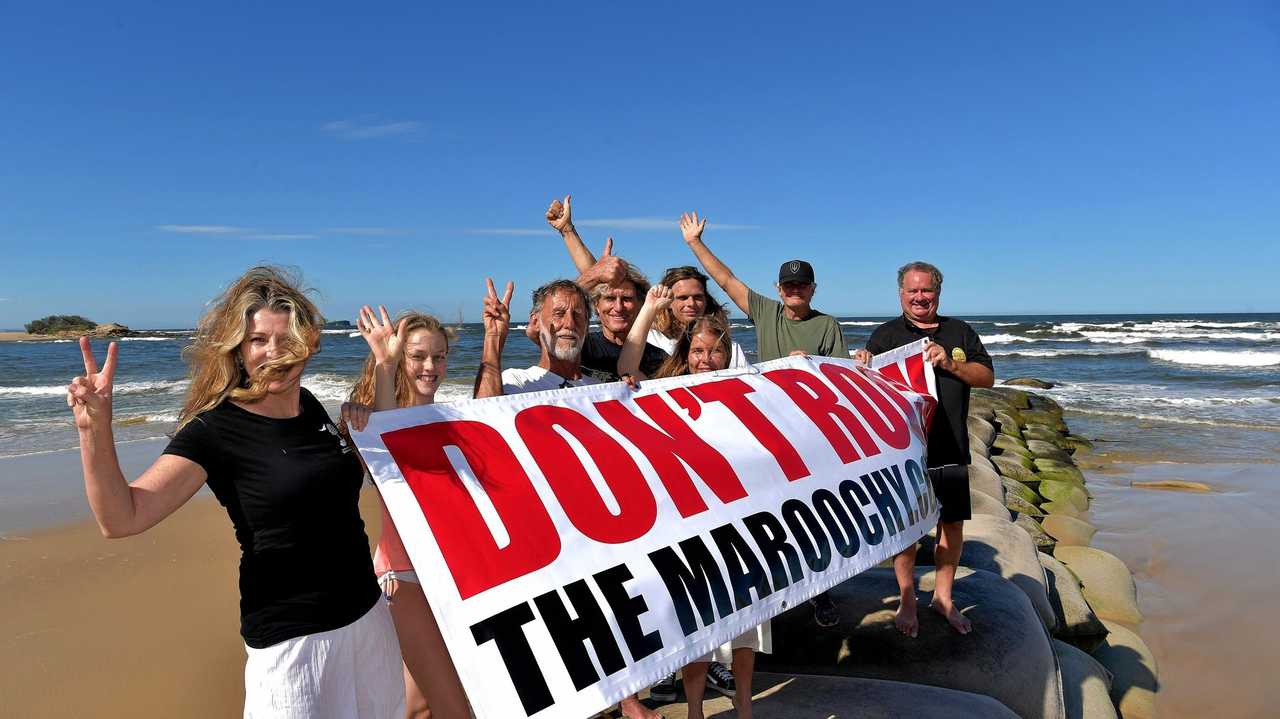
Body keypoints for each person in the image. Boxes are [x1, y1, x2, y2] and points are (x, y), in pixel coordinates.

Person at [65, 266, 403, 717]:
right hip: (293, 641)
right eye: (258, 340)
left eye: (286, 340)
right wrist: (95, 430)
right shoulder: (216, 429)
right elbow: (122, 517)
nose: (273, 352)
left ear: (308, 345)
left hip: (368, 617)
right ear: (239, 350)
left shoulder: (311, 408)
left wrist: (385, 367)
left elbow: (369, 465)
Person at [472, 276, 664, 719]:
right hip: (537, 537)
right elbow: (477, 426)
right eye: (558, 313)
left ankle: (627, 698)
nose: (568, 323)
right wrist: (491, 341)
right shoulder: (515, 382)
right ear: (535, 323)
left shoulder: (600, 391)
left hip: (592, 532)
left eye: (578, 314)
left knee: (609, 615)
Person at [680, 210, 847, 627]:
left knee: (816, 511)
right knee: (773, 509)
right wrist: (695, 244)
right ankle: (772, 589)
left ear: (811, 288)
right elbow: (727, 279)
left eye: (801, 285)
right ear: (779, 288)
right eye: (788, 284)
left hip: (811, 433)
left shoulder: (827, 324)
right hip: (768, 431)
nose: (794, 291)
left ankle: (822, 591)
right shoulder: (766, 312)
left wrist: (815, 364)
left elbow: (841, 379)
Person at [619, 286, 769, 719]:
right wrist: (649, 307)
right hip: (690, 524)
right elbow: (627, 365)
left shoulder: (742, 389)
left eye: (714, 352)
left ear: (727, 354)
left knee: (747, 623)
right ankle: (697, 711)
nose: (705, 359)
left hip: (741, 518)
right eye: (698, 351)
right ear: (687, 353)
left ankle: (743, 706)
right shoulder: (667, 389)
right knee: (698, 625)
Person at [340, 307, 470, 719]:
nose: (430, 366)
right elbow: (394, 443)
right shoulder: (374, 420)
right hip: (405, 577)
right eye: (417, 356)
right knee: (454, 707)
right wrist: (384, 364)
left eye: (439, 356)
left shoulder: (451, 420)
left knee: (418, 705)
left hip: (452, 576)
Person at [853, 261, 994, 636]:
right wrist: (862, 366)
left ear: (938, 292)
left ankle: (944, 597)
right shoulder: (885, 336)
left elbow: (987, 377)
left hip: (950, 445)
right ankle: (908, 599)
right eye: (912, 291)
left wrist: (950, 363)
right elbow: (867, 391)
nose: (920, 297)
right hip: (905, 453)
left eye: (926, 290)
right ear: (901, 294)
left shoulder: (959, 332)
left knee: (951, 524)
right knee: (907, 530)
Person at [544, 194, 669, 380]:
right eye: (610, 298)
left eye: (626, 299)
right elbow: (546, 317)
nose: (618, 307)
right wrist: (567, 230)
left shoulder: (660, 359)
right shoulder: (578, 346)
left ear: (641, 304)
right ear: (596, 306)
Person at [646, 265, 749, 369]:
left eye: (697, 297)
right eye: (683, 298)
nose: (691, 303)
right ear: (667, 302)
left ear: (706, 300)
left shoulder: (730, 348)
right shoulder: (651, 341)